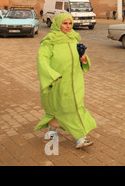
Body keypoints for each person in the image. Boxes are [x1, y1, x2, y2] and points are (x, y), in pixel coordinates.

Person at [35, 13, 96, 149]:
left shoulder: (73, 38)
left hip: (75, 81)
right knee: (58, 107)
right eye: (65, 23)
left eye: (70, 23)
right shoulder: (49, 41)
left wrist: (84, 59)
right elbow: (42, 60)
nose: (68, 27)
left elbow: (80, 57)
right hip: (58, 81)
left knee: (75, 106)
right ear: (57, 24)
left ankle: (80, 138)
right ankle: (52, 129)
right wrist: (51, 75)